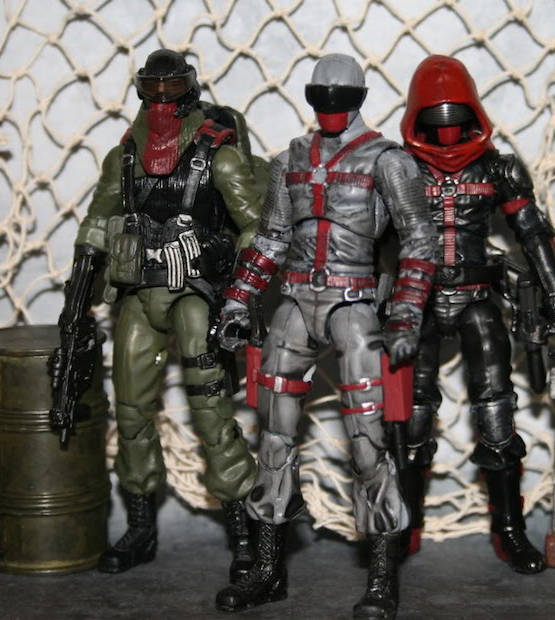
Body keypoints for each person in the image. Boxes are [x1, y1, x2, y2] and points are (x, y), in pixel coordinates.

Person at [213, 53, 437, 620]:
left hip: (355, 304)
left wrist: (406, 315)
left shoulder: (388, 161)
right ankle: (268, 569)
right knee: (274, 436)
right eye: (321, 99)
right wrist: (238, 298)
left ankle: (382, 577)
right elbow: (270, 237)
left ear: (358, 100)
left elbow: (419, 238)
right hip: (294, 302)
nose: (330, 110)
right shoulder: (290, 159)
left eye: (340, 100)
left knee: (368, 440)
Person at [50, 49, 266, 579]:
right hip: (138, 292)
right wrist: (79, 286)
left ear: (190, 92)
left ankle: (242, 531)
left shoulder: (219, 156)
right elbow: (97, 220)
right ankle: (142, 525)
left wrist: (238, 289)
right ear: (141, 92)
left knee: (211, 412)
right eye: (153, 90)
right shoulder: (124, 156)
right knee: (130, 410)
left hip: (195, 293)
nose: (163, 101)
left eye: (172, 90)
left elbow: (255, 226)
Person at [397, 55, 555, 573]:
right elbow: (366, 235)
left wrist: (554, 291)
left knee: (497, 414)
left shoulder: (499, 166)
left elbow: (533, 232)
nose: (448, 132)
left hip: (478, 299)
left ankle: (509, 530)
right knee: (410, 419)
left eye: (456, 118)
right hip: (417, 301)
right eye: (437, 120)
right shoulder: (398, 167)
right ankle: (404, 526)